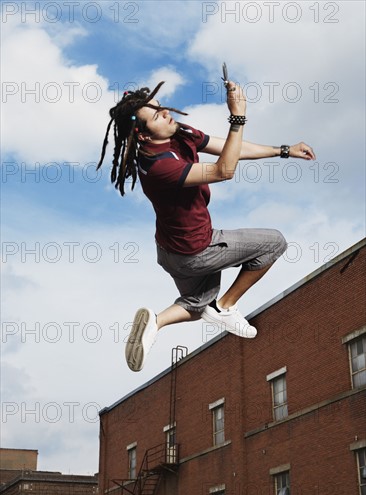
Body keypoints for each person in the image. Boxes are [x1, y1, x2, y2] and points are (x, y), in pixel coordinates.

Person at [97, 79, 316, 372]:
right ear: (142, 135)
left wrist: (284, 150)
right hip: (197, 250)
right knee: (274, 242)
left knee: (195, 304)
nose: (165, 113)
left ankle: (155, 322)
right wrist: (238, 116)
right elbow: (224, 169)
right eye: (156, 116)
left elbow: (228, 149)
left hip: (170, 252)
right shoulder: (159, 166)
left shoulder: (179, 133)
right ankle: (225, 307)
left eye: (161, 107)